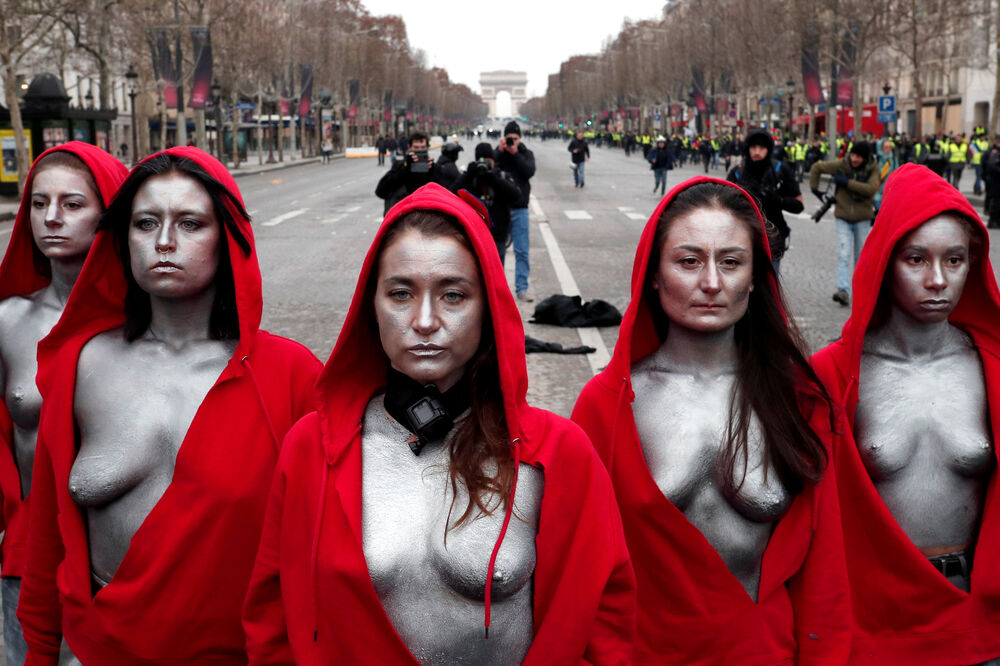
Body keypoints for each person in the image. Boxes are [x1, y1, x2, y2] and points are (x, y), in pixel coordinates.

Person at [242, 183, 636, 664]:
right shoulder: (310, 448)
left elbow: (604, 628)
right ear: (372, 307)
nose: (425, 320)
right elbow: (272, 620)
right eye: (401, 294)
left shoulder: (561, 454)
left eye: (452, 295)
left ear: (488, 308)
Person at [17, 147, 321, 663]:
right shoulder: (78, 366)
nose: (164, 242)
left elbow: (318, 556)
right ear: (122, 239)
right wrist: (40, 653)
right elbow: (46, 537)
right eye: (145, 223)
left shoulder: (290, 375)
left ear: (227, 239)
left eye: (191, 223)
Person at [571, 177, 849, 663]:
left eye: (731, 261)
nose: (712, 283)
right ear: (653, 275)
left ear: (755, 276)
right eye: (688, 261)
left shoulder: (800, 398)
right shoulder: (606, 405)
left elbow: (826, 569)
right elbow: (582, 572)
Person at [810, 163, 1000, 663]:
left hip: (977, 618)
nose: (937, 280)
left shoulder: (993, 369)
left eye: (954, 260)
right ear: (885, 260)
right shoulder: (833, 376)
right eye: (916, 259)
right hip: (875, 618)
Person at [0, 143, 127, 666]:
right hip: (28, 557)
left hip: (121, 564)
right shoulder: (8, 322)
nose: (51, 218)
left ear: (109, 212)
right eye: (38, 202)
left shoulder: (149, 327)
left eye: (73, 204)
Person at [809, 141, 879, 306]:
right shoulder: (842, 164)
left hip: (863, 217)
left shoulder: (872, 168)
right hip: (843, 216)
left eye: (859, 157)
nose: (854, 159)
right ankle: (843, 290)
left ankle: (862, 292)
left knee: (861, 257)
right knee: (843, 254)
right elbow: (816, 168)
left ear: (865, 158)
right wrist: (815, 190)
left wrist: (847, 183)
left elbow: (871, 189)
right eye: (853, 155)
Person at [727, 129, 803, 274]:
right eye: (753, 147)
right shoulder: (738, 172)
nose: (757, 152)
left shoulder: (780, 170)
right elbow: (722, 205)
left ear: (768, 150)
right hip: (741, 238)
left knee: (769, 289)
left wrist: (777, 199)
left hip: (772, 238)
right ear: (747, 149)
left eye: (761, 148)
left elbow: (798, 205)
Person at [453, 142, 521, 262]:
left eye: (488, 161)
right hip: (475, 236)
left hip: (498, 237)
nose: (484, 165)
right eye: (481, 161)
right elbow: (451, 194)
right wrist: (468, 175)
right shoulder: (471, 178)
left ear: (494, 161)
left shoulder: (501, 176)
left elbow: (516, 196)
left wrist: (494, 178)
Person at [494, 121, 536, 302]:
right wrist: (499, 151)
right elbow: (490, 169)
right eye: (510, 138)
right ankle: (498, 291)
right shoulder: (499, 154)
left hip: (519, 208)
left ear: (520, 138)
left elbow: (529, 171)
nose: (513, 141)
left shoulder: (526, 154)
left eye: (516, 139)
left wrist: (516, 153)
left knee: (522, 251)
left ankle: (522, 288)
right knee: (497, 251)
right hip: (500, 208)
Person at [375, 132, 437, 215]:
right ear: (409, 147)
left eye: (422, 147)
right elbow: (381, 191)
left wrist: (433, 170)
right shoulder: (400, 165)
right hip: (403, 217)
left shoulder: (434, 168)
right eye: (416, 147)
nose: (419, 150)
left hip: (426, 219)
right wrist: (405, 167)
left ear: (427, 148)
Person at [874, 137, 899, 212]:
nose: (888, 149)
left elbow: (897, 173)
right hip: (877, 193)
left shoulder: (894, 159)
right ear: (881, 148)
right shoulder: (876, 159)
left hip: (890, 194)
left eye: (890, 147)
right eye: (886, 147)